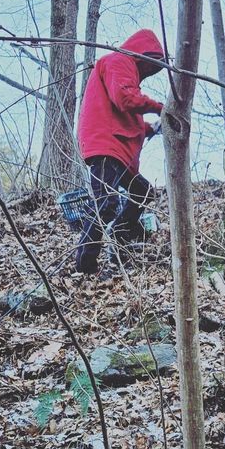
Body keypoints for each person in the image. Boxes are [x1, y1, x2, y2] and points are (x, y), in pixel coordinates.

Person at [75, 29, 165, 275]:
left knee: (142, 192)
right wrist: (160, 108)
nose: (149, 71)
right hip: (107, 145)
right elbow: (125, 99)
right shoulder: (119, 61)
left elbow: (128, 117)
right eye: (150, 65)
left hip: (117, 149)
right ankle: (84, 265)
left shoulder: (125, 71)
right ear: (142, 54)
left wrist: (152, 128)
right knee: (105, 203)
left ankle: (119, 235)